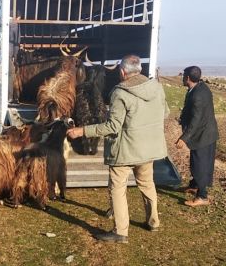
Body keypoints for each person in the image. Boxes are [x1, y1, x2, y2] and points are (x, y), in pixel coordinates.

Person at [67, 54, 168, 243]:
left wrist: (82, 131)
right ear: (139, 70)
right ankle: (153, 222)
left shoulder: (120, 93)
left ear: (122, 72)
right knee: (147, 183)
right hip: (150, 148)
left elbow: (112, 127)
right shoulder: (157, 88)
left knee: (118, 187)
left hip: (126, 150)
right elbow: (165, 112)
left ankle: (120, 231)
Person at [175, 66, 219, 207]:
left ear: (188, 78)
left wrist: (183, 138)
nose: (182, 78)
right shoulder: (199, 87)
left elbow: (196, 121)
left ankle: (202, 196)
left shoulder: (198, 95)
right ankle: (194, 186)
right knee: (197, 162)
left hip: (203, 135)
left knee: (200, 165)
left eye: (183, 76)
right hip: (204, 132)